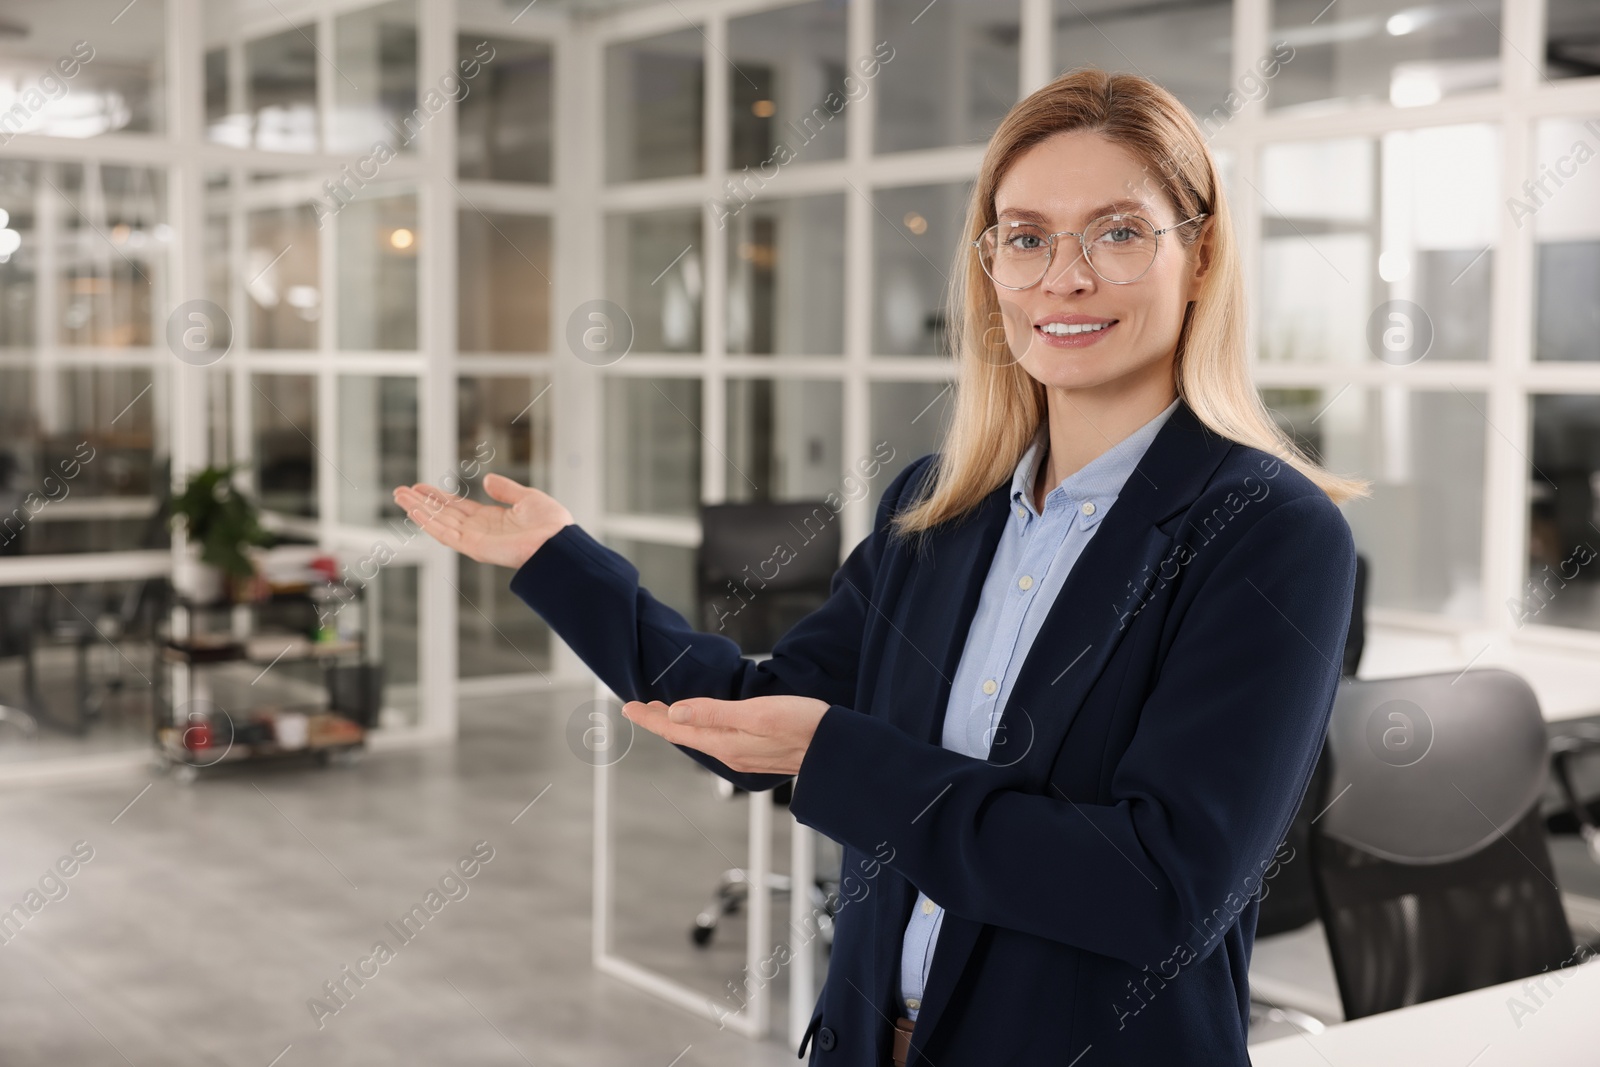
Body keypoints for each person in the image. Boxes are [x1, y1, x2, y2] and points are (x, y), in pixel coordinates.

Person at [395, 67, 1368, 1067]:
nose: (1061, 279)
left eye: (1117, 232)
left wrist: (842, 756)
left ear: (1199, 254)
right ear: (988, 265)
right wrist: (560, 562)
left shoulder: (1267, 532)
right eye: (1025, 236)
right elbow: (750, 715)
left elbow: (1156, 888)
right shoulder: (934, 507)